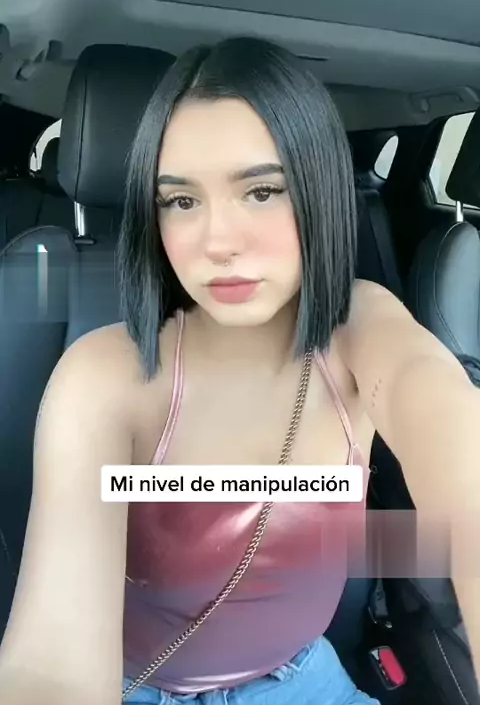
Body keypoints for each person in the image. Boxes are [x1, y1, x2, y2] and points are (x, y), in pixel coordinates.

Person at [0, 37, 479, 705]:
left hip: (302, 679)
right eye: (181, 201)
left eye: (261, 191)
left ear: (319, 192)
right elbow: (52, 664)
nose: (218, 242)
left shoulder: (362, 328)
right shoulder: (107, 376)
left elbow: (448, 430)